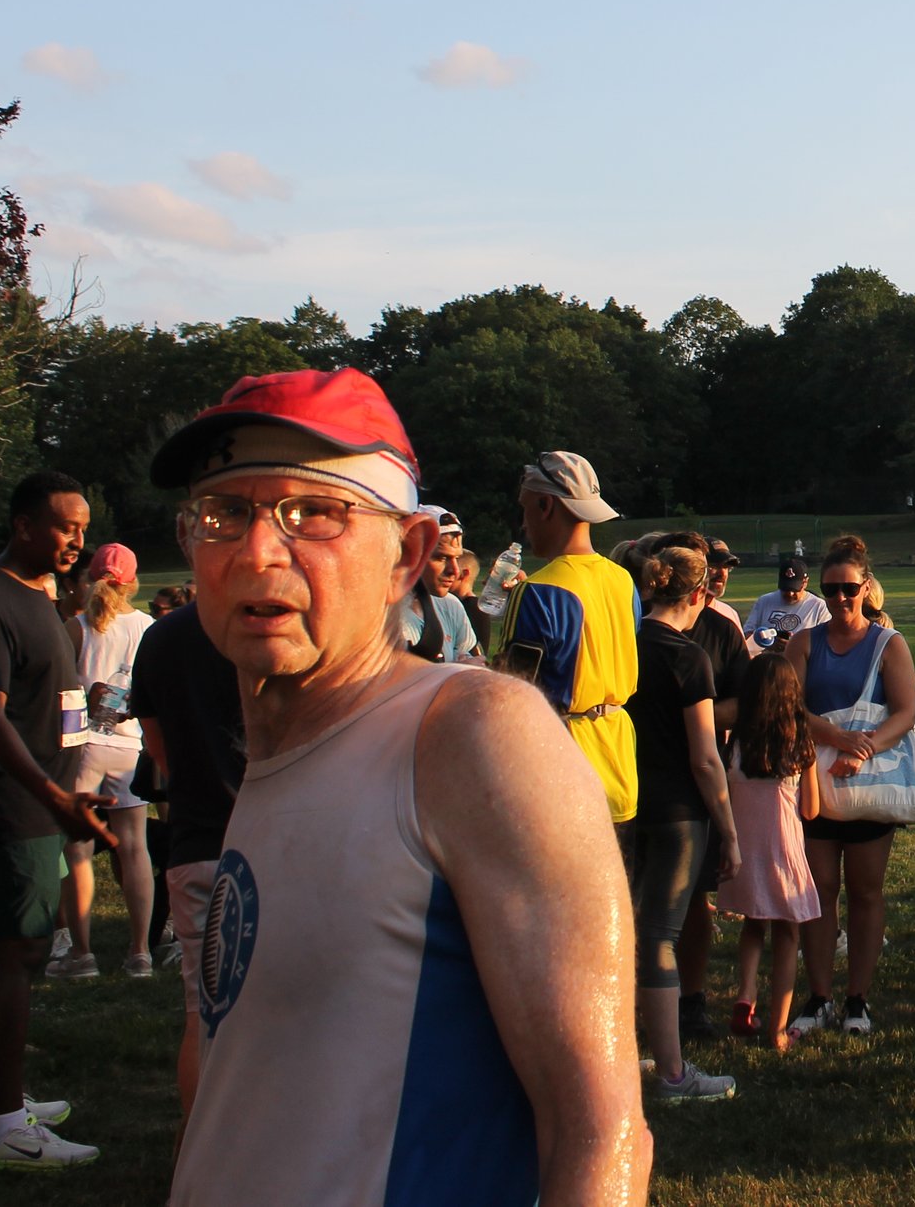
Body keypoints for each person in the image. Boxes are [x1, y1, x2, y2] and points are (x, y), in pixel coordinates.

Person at [148, 368, 648, 1204]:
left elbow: (601, 1135)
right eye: (224, 512)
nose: (258, 549)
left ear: (407, 554)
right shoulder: (272, 760)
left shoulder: (473, 733)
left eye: (314, 512)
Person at [0, 470, 110, 1172]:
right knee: (21, 950)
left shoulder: (41, 595)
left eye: (83, 527)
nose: (79, 539)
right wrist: (50, 795)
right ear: (23, 525)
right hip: (11, 804)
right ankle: (6, 1127)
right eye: (66, 525)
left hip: (34, 801)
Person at [786, 534, 915, 1038]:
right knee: (818, 892)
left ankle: (857, 999)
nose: (840, 599)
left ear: (866, 588)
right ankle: (819, 995)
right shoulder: (805, 642)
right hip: (815, 783)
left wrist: (861, 750)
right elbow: (792, 708)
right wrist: (837, 737)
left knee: (866, 892)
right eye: (831, 589)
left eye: (849, 588)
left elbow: (905, 712)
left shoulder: (890, 644)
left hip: (869, 783)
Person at [125, 598, 247, 1133]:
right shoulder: (270, 625)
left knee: (204, 1015)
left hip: (195, 839)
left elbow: (159, 750)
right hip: (273, 835)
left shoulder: (161, 637)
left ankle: (197, 1159)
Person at [625, 544, 740, 1103]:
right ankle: (672, 1072)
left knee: (627, 932)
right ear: (696, 595)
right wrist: (730, 830)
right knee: (661, 936)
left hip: (625, 804)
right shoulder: (687, 656)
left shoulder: (625, 642)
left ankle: (625, 1054)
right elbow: (704, 757)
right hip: (677, 812)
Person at [501, 451, 640, 836]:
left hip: (561, 768)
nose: (524, 525)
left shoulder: (537, 591)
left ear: (546, 505)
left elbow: (516, 692)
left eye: (525, 509)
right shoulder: (622, 580)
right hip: (619, 762)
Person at [51, 543, 155, 981]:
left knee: (77, 847)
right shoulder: (148, 627)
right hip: (129, 744)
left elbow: (60, 689)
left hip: (83, 743)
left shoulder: (75, 628)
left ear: (90, 577)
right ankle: (140, 953)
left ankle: (83, 953)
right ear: (132, 583)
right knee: (135, 847)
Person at [720, 652, 820, 1047]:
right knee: (787, 937)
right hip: (785, 853)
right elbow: (811, 809)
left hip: (744, 851)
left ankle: (746, 996)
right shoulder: (800, 743)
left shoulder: (737, 742)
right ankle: (778, 1030)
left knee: (752, 926)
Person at [402, 506, 481, 663]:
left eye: (457, 558)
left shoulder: (451, 606)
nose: (455, 571)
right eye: (441, 558)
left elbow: (476, 659)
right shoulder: (382, 616)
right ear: (412, 553)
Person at [743, 554, 830, 649]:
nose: (790, 594)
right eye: (786, 589)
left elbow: (827, 643)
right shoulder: (764, 601)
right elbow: (747, 636)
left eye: (795, 589)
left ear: (805, 582)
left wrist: (794, 646)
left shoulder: (818, 606)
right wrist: (767, 643)